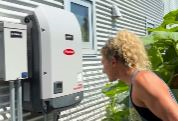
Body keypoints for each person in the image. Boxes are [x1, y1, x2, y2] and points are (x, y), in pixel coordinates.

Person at [101, 30, 178, 121]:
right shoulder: (136, 82)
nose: (103, 71)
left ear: (113, 62)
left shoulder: (143, 80)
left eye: (103, 63)